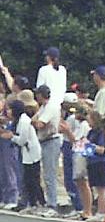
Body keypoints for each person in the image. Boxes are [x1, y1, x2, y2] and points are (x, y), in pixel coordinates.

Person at [0, 99, 44, 210]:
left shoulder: (24, 121)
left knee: (32, 179)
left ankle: (38, 203)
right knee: (26, 179)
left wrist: (11, 137)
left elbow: (22, 140)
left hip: (31, 153)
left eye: (10, 109)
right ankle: (28, 202)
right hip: (25, 153)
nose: (8, 112)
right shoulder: (17, 120)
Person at [33, 83, 61, 213]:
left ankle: (52, 203)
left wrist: (36, 122)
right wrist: (36, 121)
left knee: (50, 173)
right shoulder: (43, 107)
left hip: (51, 140)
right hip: (43, 140)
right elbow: (33, 119)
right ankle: (49, 201)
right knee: (45, 173)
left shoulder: (50, 107)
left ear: (41, 95)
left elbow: (40, 123)